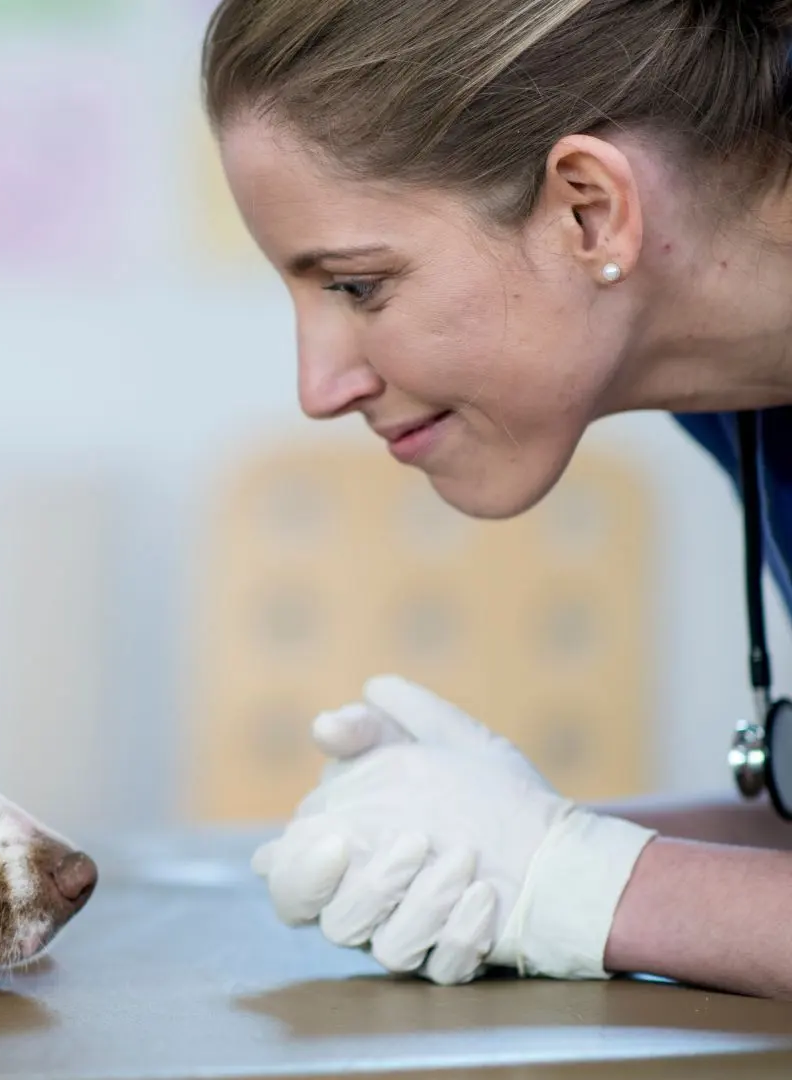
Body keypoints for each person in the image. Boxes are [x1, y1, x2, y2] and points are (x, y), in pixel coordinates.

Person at [204, 0, 792, 1000]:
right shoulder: (737, 394)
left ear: (588, 210)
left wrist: (578, 883)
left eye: (356, 287)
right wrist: (473, 842)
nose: (319, 387)